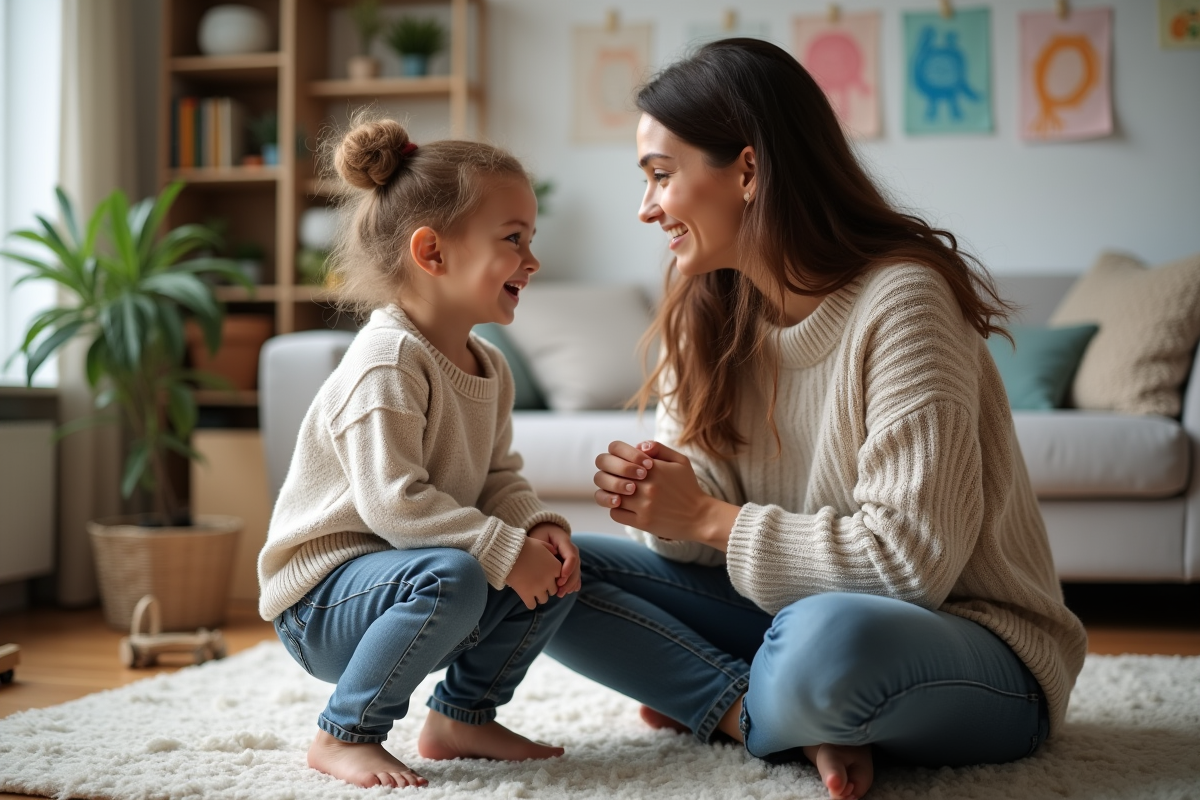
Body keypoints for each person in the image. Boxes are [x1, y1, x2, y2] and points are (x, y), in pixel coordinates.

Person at [543, 39, 1087, 800]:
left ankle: (760, 693)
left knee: (826, 641)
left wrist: (707, 520)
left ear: (748, 170)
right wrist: (660, 500)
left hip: (976, 641)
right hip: (787, 615)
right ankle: (753, 711)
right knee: (547, 572)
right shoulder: (707, 304)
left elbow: (909, 566)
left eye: (662, 176)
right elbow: (694, 531)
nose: (647, 207)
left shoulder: (904, 301)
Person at [258, 116, 581, 790]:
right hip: (323, 599)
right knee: (455, 575)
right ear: (432, 253)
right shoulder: (387, 359)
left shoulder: (489, 365)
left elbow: (499, 478)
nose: (533, 259)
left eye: (532, 239)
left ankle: (462, 718)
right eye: (514, 239)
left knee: (552, 569)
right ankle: (342, 733)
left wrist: (537, 528)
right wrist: (500, 549)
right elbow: (393, 504)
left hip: (402, 574)